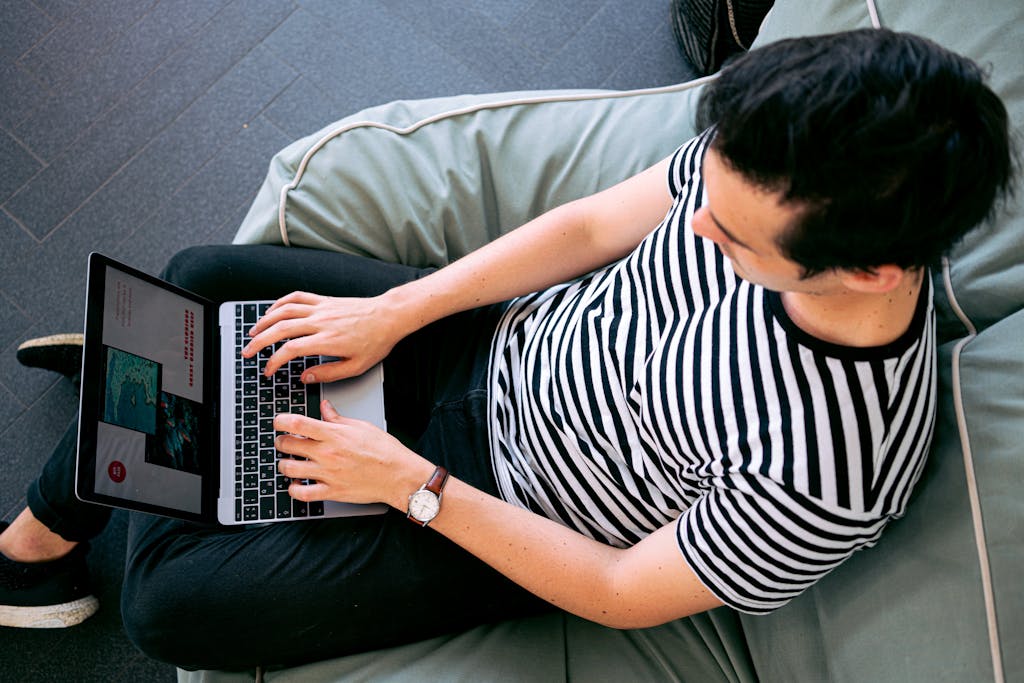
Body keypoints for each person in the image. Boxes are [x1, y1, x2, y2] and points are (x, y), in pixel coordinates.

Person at [0, 28, 1014, 670]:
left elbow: (618, 593)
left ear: (872, 270)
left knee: (170, 607)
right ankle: (118, 458)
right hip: (498, 341)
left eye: (733, 238)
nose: (695, 224)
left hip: (499, 503)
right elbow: (583, 232)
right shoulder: (770, 155)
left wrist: (409, 483)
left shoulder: (825, 476)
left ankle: (77, 492)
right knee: (209, 274)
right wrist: (400, 310)